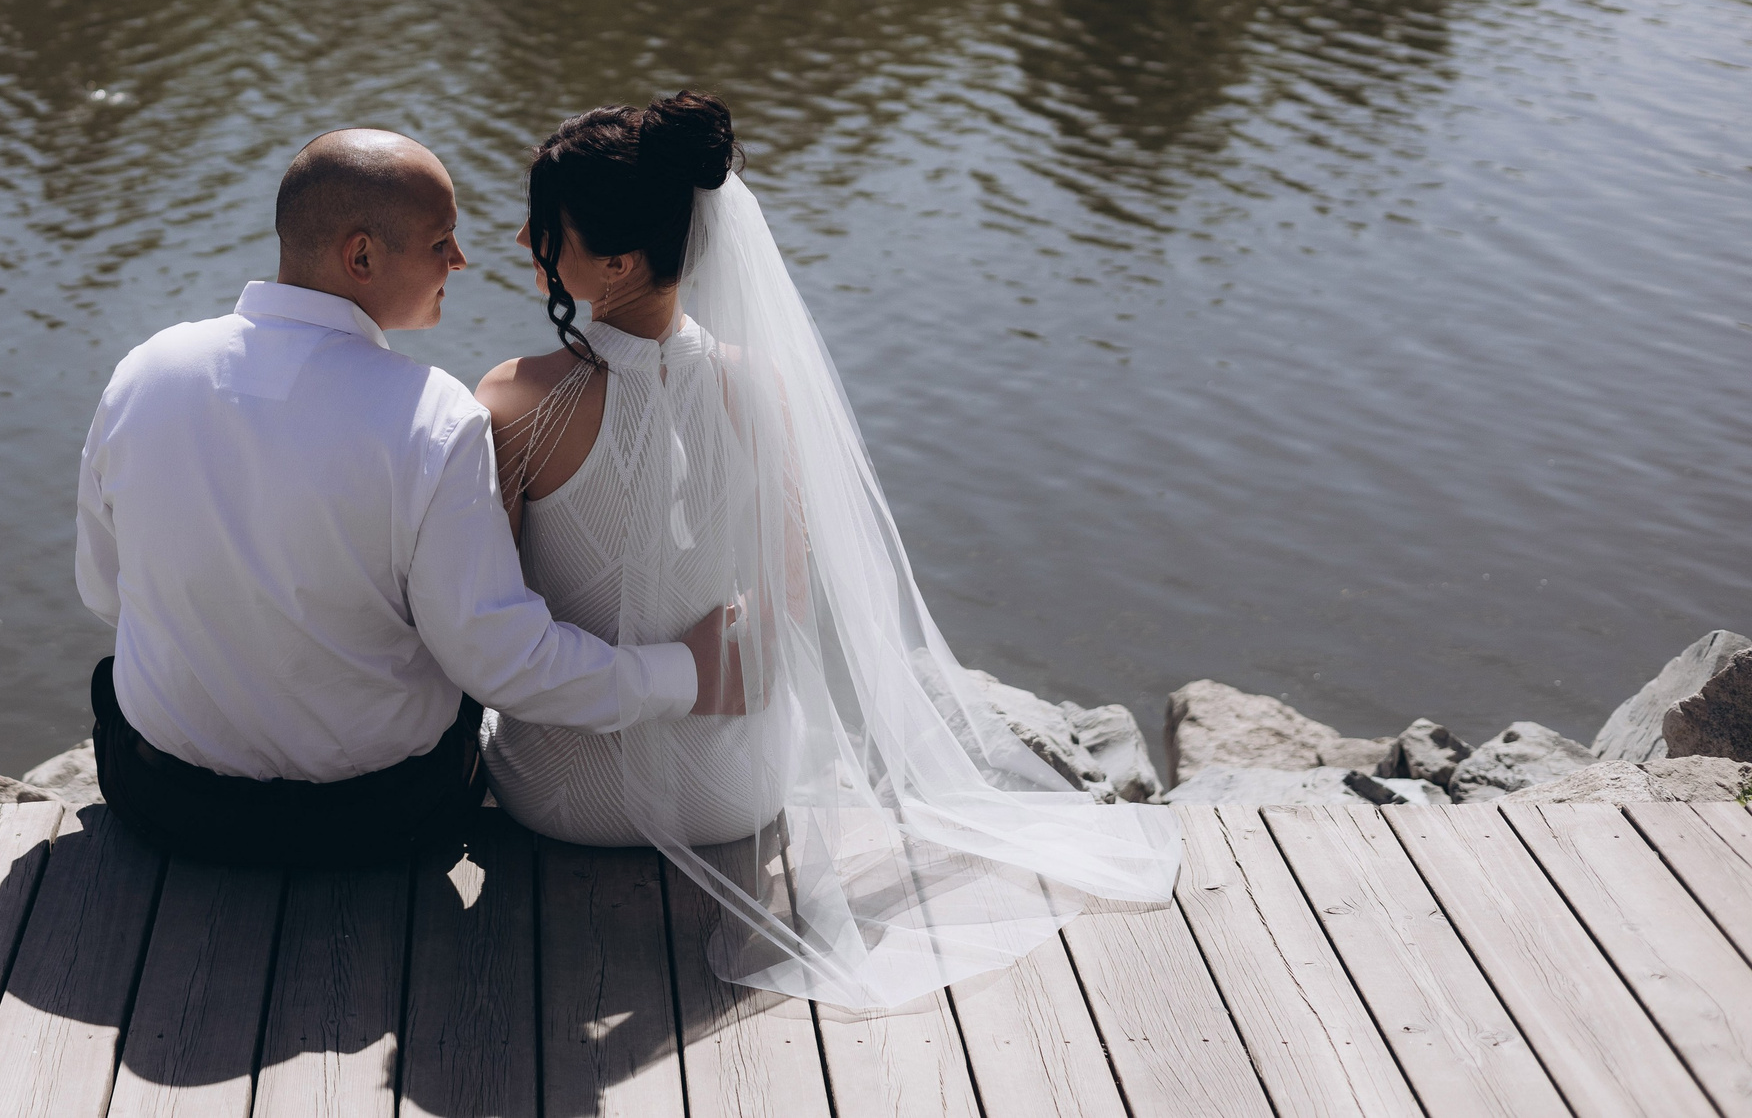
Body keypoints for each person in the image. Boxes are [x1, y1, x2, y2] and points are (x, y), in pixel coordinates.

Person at [477, 91, 1180, 1009]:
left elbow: (488, 628)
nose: (528, 239)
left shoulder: (513, 400)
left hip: (567, 806)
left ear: (613, 260)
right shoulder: (758, 384)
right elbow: (789, 607)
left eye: (545, 226)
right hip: (739, 790)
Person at [74, 127, 738, 869]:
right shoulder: (432, 417)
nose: (461, 259)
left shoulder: (141, 374)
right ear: (361, 255)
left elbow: (104, 590)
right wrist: (685, 673)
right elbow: (499, 662)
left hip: (163, 803)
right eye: (441, 240)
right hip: (376, 822)